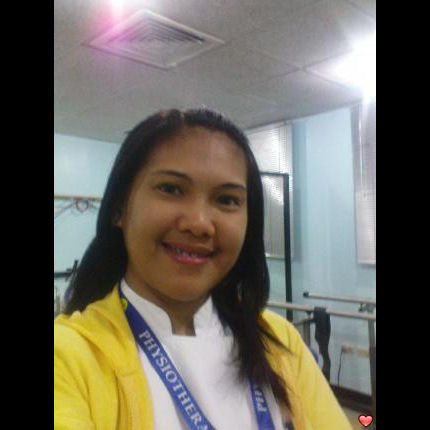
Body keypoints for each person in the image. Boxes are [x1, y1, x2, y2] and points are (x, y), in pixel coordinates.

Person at [54, 108, 352, 430]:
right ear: (119, 208)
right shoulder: (68, 356)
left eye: (227, 200)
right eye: (171, 189)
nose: (199, 224)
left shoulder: (279, 342)